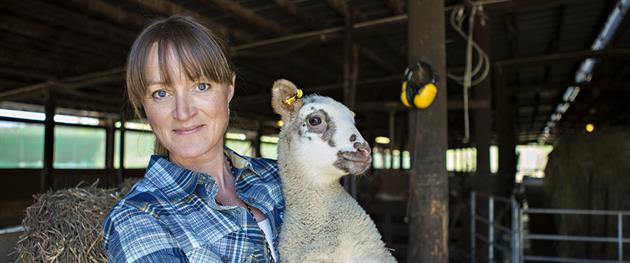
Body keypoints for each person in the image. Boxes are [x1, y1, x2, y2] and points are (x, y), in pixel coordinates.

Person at [102, 15, 284, 263]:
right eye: (161, 93)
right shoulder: (138, 217)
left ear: (229, 89)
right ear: (144, 106)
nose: (183, 112)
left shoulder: (279, 177)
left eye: (201, 86)